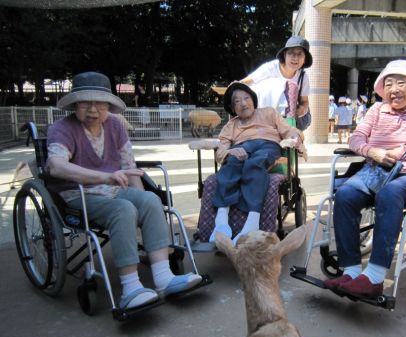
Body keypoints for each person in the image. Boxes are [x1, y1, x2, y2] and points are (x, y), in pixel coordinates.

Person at [46, 72, 202, 310]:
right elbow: (55, 166)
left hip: (114, 190)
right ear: (75, 104)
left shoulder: (115, 125)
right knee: (123, 209)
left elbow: (130, 168)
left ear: (108, 105)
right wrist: (104, 177)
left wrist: (141, 202)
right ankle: (130, 289)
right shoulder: (63, 128)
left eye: (100, 103)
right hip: (78, 195)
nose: (93, 110)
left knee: (149, 200)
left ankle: (163, 277)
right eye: (86, 103)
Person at [324, 59, 406, 297]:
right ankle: (350, 271)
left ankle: (375, 277)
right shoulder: (377, 109)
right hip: (375, 168)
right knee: (346, 194)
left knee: (389, 194)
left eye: (401, 83)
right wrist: (372, 152)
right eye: (388, 84)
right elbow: (356, 138)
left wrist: (400, 152)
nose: (394, 89)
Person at [210, 82, 306, 245]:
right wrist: (229, 152)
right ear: (233, 108)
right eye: (237, 101)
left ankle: (252, 222)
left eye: (246, 98)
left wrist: (294, 136)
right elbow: (222, 149)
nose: (243, 103)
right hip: (240, 147)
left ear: (253, 100)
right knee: (231, 163)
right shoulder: (231, 125)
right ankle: (221, 222)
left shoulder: (269, 113)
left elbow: (287, 130)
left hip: (267, 144)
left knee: (254, 164)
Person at [240, 36, 312, 124]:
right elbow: (245, 82)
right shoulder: (270, 68)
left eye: (300, 54)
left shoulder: (303, 77)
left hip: (288, 117)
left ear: (304, 59)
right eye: (291, 53)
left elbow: (304, 101)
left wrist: (299, 110)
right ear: (284, 55)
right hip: (262, 114)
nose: (295, 57)